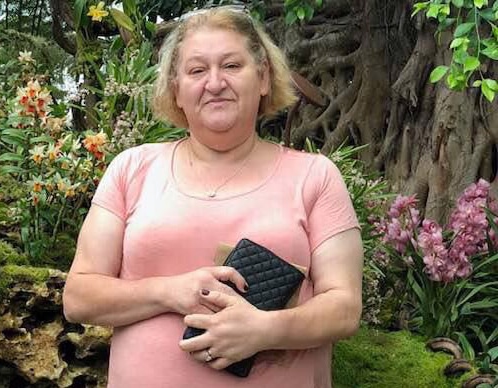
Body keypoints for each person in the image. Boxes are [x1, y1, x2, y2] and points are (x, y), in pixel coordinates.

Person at [63, 6, 363, 388]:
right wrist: (169, 291)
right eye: (197, 70)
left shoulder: (314, 177)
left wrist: (264, 329)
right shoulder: (132, 169)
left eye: (232, 66)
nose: (215, 82)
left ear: (264, 78)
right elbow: (79, 297)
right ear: (176, 88)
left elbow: (344, 308)